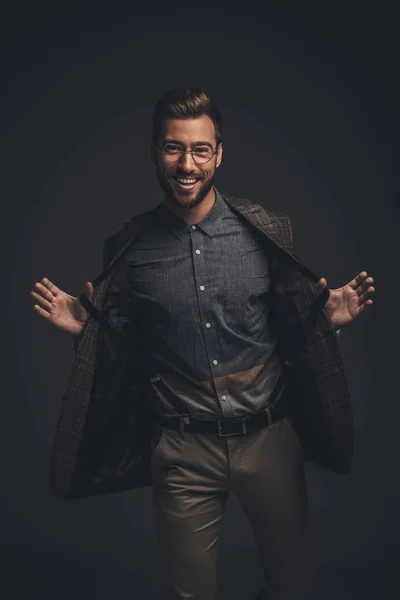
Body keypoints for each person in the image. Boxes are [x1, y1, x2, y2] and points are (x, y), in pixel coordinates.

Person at [30, 86, 375, 600]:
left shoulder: (266, 232)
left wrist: (329, 321)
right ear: (155, 153)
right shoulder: (128, 247)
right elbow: (129, 346)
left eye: (199, 149)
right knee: (186, 594)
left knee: (295, 584)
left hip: (269, 441)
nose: (185, 164)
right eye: (173, 148)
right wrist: (88, 332)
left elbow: (291, 324)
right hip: (182, 449)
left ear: (218, 154)